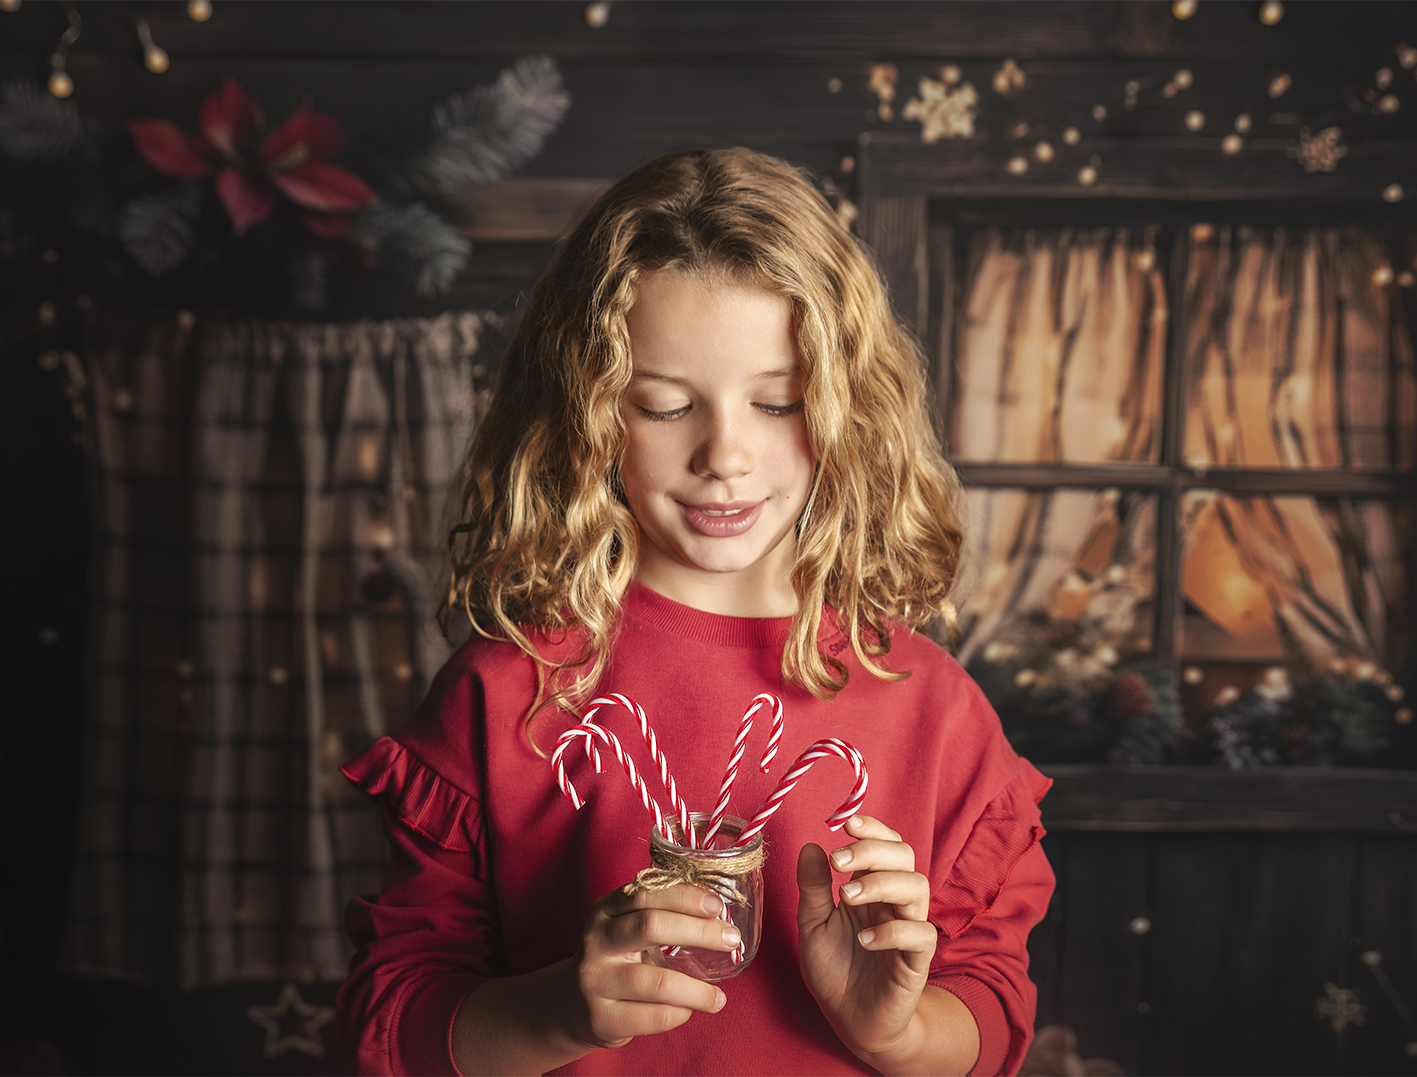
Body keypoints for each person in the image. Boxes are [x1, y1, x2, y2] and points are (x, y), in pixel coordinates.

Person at [337, 147, 1054, 1077]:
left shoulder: (934, 709)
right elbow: (391, 1029)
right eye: (666, 405)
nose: (725, 454)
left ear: (847, 409)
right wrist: (561, 1010)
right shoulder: (506, 691)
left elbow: (989, 1009)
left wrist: (898, 1032)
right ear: (587, 413)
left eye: (777, 403)